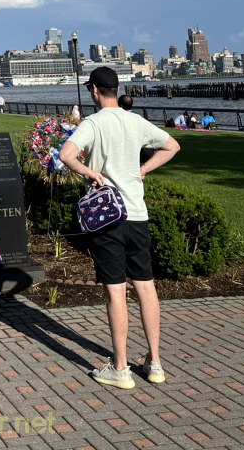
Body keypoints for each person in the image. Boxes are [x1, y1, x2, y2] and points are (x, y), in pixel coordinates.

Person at [59, 66, 180, 390]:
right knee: (145, 285)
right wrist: (142, 169)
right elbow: (172, 146)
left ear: (95, 91)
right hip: (137, 214)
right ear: (116, 89)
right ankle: (154, 363)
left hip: (108, 218)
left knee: (115, 290)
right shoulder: (135, 120)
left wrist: (87, 172)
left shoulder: (93, 123)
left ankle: (121, 367)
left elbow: (65, 154)